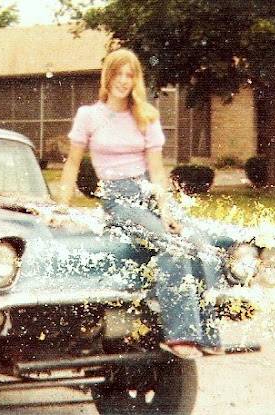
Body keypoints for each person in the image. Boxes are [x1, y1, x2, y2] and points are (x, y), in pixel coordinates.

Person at [54, 48, 224, 359]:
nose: (123, 81)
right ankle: (180, 334)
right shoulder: (89, 116)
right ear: (107, 78)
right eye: (117, 74)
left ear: (136, 79)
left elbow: (157, 171)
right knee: (173, 248)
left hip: (149, 193)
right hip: (119, 200)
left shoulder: (147, 115)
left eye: (129, 75)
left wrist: (167, 211)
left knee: (201, 244)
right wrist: (62, 207)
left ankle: (207, 333)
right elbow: (72, 165)